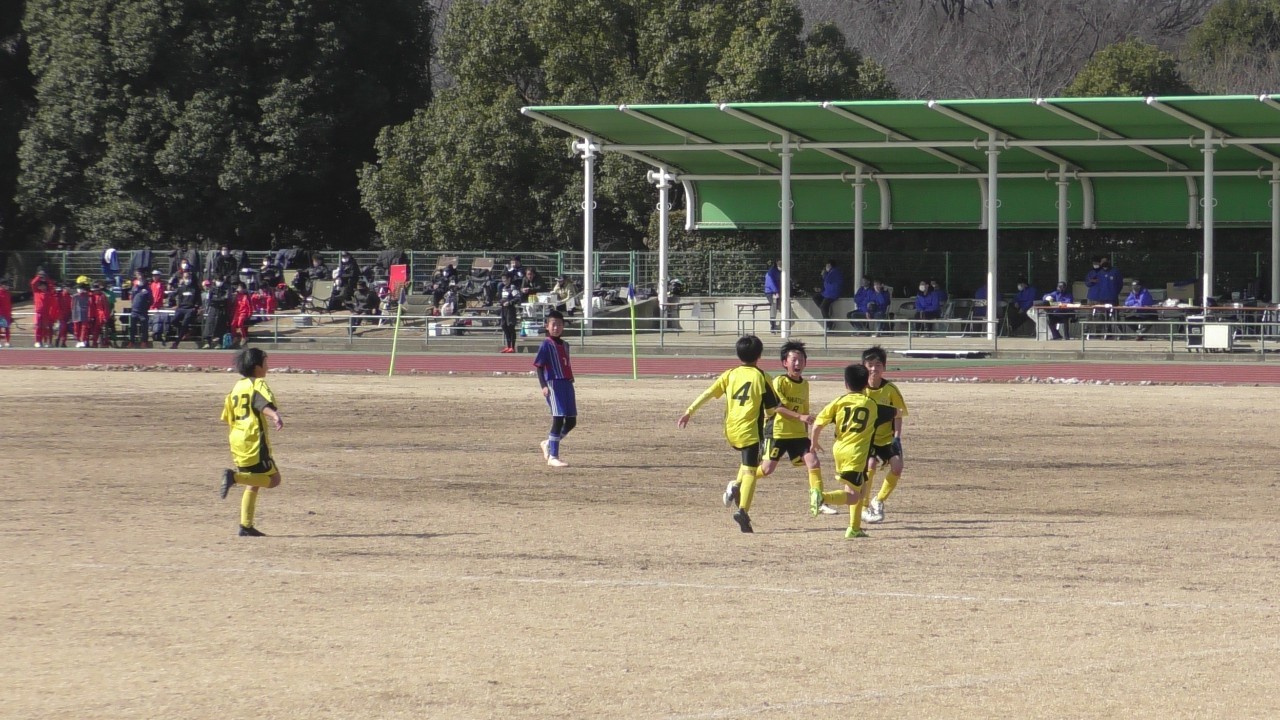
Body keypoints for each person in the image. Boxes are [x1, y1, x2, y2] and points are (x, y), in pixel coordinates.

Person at [676, 334, 781, 534]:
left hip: (731, 431)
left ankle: (735, 486)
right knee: (751, 470)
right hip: (750, 430)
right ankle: (743, 511)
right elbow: (771, 410)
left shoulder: (730, 374)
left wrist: (689, 411)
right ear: (760, 355)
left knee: (746, 463)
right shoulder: (762, 376)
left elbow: (708, 393)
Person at [754, 341, 837, 515]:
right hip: (778, 432)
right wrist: (800, 417)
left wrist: (811, 437)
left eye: (801, 360)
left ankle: (819, 500)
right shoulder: (779, 382)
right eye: (794, 360)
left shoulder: (805, 384)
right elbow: (777, 408)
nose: (798, 364)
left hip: (798, 435)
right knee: (767, 469)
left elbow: (804, 411)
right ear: (785, 363)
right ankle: (741, 481)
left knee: (813, 462)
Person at [810, 363, 886, 539]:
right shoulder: (871, 404)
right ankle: (822, 497)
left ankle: (854, 528)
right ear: (866, 383)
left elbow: (818, 424)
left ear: (845, 384)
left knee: (861, 486)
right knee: (853, 496)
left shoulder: (839, 401)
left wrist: (814, 443)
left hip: (839, 449)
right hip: (857, 453)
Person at [218, 347, 285, 537]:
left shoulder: (236, 388)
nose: (268, 367)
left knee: (254, 482)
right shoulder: (258, 384)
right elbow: (260, 403)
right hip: (254, 440)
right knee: (274, 480)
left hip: (237, 439)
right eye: (266, 363)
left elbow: (227, 416)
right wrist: (274, 415)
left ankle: (246, 526)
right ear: (257, 367)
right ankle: (234, 477)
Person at [859, 345, 909, 524]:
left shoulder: (890, 389)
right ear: (863, 366)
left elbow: (899, 414)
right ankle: (864, 507)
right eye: (870, 364)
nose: (874, 369)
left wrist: (897, 437)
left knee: (897, 467)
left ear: (884, 368)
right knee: (870, 466)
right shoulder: (860, 389)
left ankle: (878, 500)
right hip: (866, 438)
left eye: (878, 365)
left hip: (886, 438)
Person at [534, 310, 576, 468]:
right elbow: (539, 367)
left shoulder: (565, 345)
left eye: (559, 324)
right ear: (547, 326)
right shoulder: (546, 344)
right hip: (553, 383)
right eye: (553, 324)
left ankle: (548, 443)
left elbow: (567, 364)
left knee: (571, 421)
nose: (556, 327)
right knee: (558, 418)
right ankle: (553, 456)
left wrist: (571, 379)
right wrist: (543, 385)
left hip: (566, 383)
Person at [170, 275, 202, 348]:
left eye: (189, 278)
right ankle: (186, 331)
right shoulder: (181, 288)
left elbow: (199, 301)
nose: (187, 279)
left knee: (185, 323)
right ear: (183, 279)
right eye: (186, 278)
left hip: (190, 309)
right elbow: (172, 295)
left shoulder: (195, 288)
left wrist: (196, 308)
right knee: (173, 321)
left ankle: (176, 343)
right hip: (181, 308)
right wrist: (173, 304)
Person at [498, 274, 522, 353]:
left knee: (511, 327)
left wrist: (510, 302)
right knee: (504, 326)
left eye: (505, 279)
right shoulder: (503, 288)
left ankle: (512, 346)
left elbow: (517, 297)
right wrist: (501, 302)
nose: (504, 281)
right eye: (503, 280)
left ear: (509, 279)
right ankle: (508, 346)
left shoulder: (513, 287)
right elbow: (502, 298)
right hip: (503, 310)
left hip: (510, 310)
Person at [128, 277, 153, 347]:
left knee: (144, 328)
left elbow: (151, 300)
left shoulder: (147, 289)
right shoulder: (134, 288)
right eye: (140, 280)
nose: (141, 281)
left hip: (143, 312)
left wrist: (146, 306)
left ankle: (144, 342)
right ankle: (131, 342)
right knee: (132, 328)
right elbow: (132, 298)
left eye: (142, 280)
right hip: (134, 311)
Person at [817, 260, 843, 326]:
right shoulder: (831, 272)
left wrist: (824, 274)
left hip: (832, 294)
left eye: (827, 266)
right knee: (816, 297)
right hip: (827, 293)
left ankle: (829, 324)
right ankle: (826, 310)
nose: (826, 267)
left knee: (823, 307)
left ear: (830, 265)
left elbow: (827, 279)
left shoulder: (834, 272)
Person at [229, 282, 253, 347]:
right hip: (237, 312)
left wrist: (250, 312)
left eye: (240, 288)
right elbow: (235, 305)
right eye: (238, 288)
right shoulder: (237, 296)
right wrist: (232, 312)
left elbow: (250, 305)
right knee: (233, 324)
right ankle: (235, 337)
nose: (238, 289)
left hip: (244, 311)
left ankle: (244, 337)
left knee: (240, 323)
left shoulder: (246, 296)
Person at [764, 260, 781, 333]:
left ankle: (774, 326)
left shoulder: (776, 271)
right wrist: (776, 291)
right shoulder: (771, 272)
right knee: (773, 308)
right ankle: (773, 326)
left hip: (774, 292)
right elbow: (771, 283)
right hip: (772, 293)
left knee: (775, 308)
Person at [0, 279, 11, 347]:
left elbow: (9, 304)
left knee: (7, 328)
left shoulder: (7, 294)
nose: (6, 286)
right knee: (0, 328)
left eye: (6, 285)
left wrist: (10, 314)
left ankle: (7, 341)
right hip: (1, 314)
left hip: (7, 314)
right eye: (5, 284)